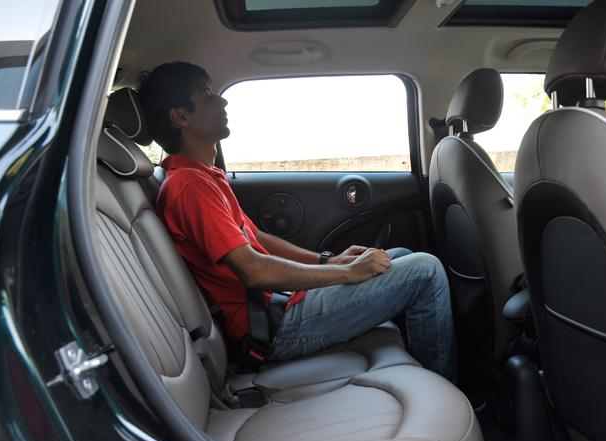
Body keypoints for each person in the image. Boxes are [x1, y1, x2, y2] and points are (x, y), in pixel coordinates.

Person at [138, 62, 457, 382]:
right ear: (181, 117)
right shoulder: (189, 186)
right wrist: (347, 272)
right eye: (207, 95)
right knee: (425, 271)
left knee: (398, 256)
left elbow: (257, 238)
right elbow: (254, 270)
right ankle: (442, 387)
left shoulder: (204, 177)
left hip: (278, 306)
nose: (221, 101)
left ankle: (420, 368)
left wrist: (328, 260)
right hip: (274, 328)